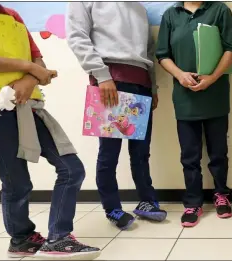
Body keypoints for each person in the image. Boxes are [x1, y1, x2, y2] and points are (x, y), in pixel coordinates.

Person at [0, 1, 100, 259]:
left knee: (71, 169)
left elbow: (37, 57)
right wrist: (28, 68)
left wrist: (30, 77)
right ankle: (22, 239)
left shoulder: (12, 15)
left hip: (31, 106)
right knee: (17, 182)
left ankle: (58, 238)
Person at [66, 2, 166, 230]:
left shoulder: (139, 8)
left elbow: (149, 50)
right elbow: (76, 36)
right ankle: (112, 207)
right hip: (110, 80)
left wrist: (153, 87)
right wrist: (102, 76)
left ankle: (147, 202)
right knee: (109, 152)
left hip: (141, 82)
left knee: (141, 152)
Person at [156, 1, 232, 227]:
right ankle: (193, 202)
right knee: (189, 156)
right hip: (185, 98)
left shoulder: (220, 10)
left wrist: (212, 78)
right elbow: (162, 54)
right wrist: (180, 74)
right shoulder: (171, 15)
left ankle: (221, 194)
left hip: (216, 94)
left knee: (218, 152)